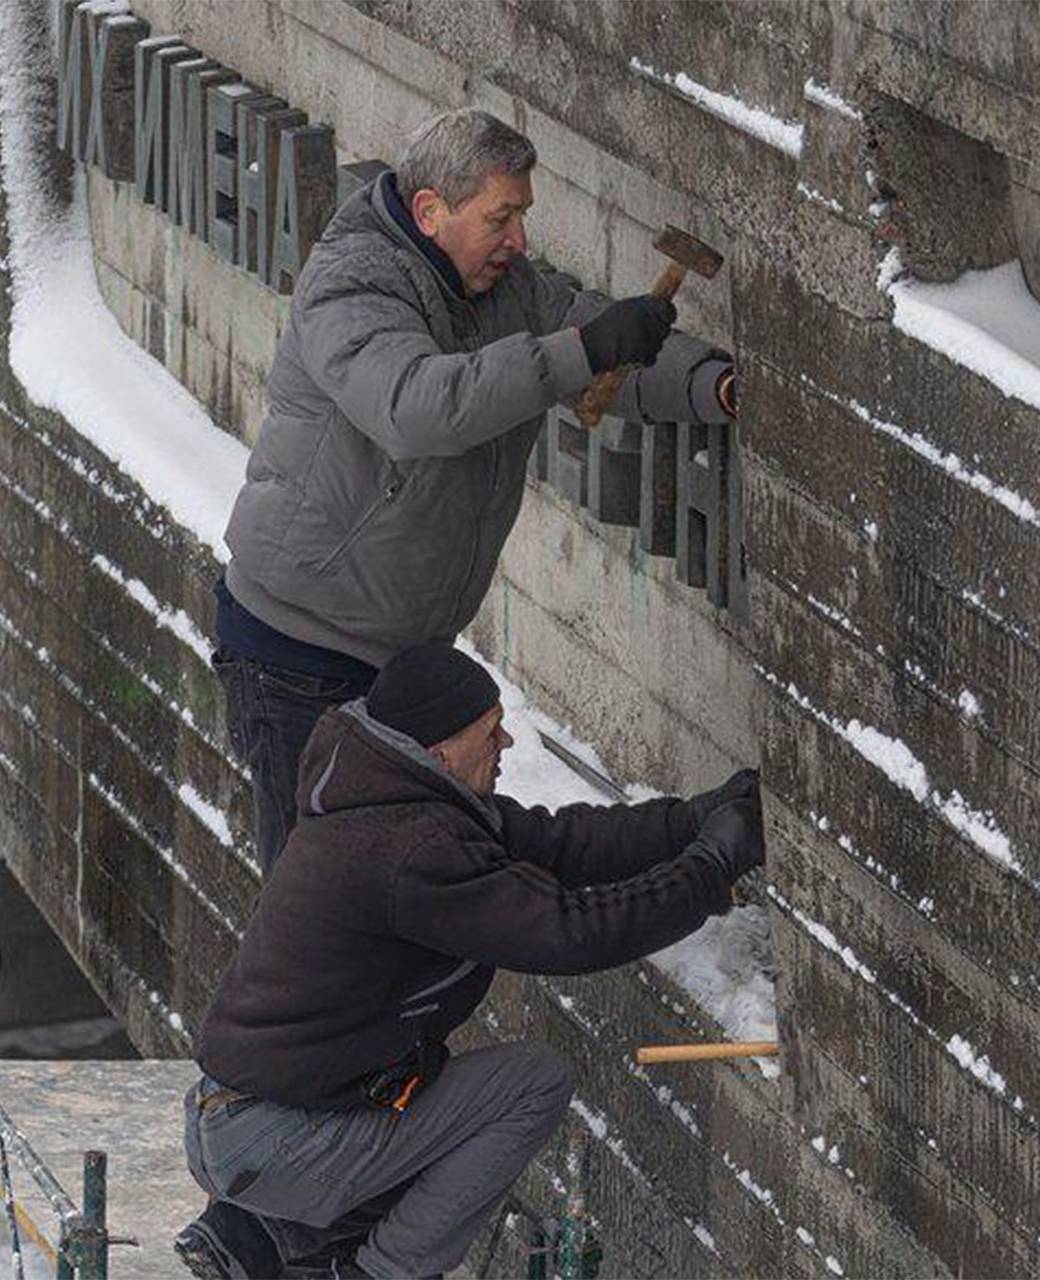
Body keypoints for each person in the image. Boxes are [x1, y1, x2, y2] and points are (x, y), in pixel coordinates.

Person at [213, 107, 738, 875]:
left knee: (394, 897)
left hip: (395, 663)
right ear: (430, 211)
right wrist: (583, 351)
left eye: (522, 216)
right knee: (319, 908)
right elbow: (417, 407)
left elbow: (584, 335)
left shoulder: (500, 285)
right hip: (295, 659)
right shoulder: (352, 284)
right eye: (503, 218)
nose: (519, 241)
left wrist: (710, 385)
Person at [174, 643, 764, 1279]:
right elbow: (570, 933)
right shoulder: (412, 850)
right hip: (274, 1137)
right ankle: (376, 1272)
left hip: (247, 1120)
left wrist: (693, 821)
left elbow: (559, 843)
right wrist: (709, 869)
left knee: (431, 1115)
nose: (507, 742)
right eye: (490, 732)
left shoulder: (391, 799)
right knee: (528, 1084)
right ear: (438, 753)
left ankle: (262, 1236)